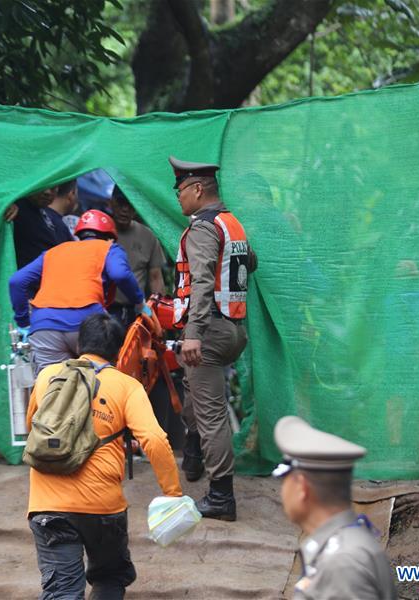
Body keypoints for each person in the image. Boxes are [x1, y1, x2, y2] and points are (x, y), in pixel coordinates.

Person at [26, 313, 182, 599]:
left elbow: (32, 429)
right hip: (102, 508)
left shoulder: (48, 376)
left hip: (47, 505)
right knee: (110, 577)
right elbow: (155, 440)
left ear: (79, 343)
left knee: (62, 591)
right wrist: (173, 493)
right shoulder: (127, 386)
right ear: (119, 350)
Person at [169, 155, 255, 521]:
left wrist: (193, 334)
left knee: (212, 415)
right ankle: (192, 452)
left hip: (210, 331)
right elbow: (251, 262)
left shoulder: (204, 228)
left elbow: (203, 282)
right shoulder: (231, 223)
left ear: (197, 189)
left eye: (180, 190)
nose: (178, 197)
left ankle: (221, 496)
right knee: (197, 393)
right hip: (234, 329)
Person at [272, 416, 398, 600]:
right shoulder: (342, 547)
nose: (282, 490)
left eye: (284, 480)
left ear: (302, 488)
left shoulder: (342, 563)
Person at [9, 209, 148, 374]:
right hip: (87, 324)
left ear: (78, 235)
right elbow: (120, 274)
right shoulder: (109, 248)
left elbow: (16, 281)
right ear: (110, 237)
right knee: (96, 387)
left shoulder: (54, 252)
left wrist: (24, 322)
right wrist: (139, 302)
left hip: (45, 327)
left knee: (52, 389)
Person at [107, 186, 166, 328]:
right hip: (106, 310)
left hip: (137, 311)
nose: (125, 209)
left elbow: (156, 277)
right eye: (121, 203)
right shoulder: (101, 232)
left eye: (130, 204)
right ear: (111, 202)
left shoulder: (147, 236)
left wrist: (159, 313)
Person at [6, 186, 74, 268]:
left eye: (53, 187)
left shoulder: (56, 220)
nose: (47, 192)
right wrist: (4, 205)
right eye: (43, 185)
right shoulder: (15, 207)